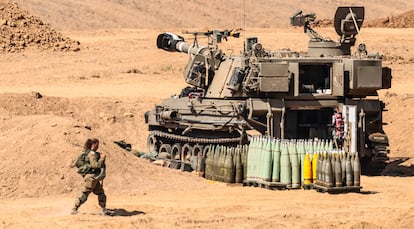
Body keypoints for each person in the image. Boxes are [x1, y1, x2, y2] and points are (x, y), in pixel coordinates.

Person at [71, 138, 110, 215]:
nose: (98, 147)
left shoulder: (92, 153)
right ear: (93, 145)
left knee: (101, 193)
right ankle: (74, 208)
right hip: (91, 178)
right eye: (97, 145)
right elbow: (95, 165)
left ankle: (104, 210)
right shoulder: (92, 154)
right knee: (85, 193)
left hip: (94, 177)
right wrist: (102, 159)